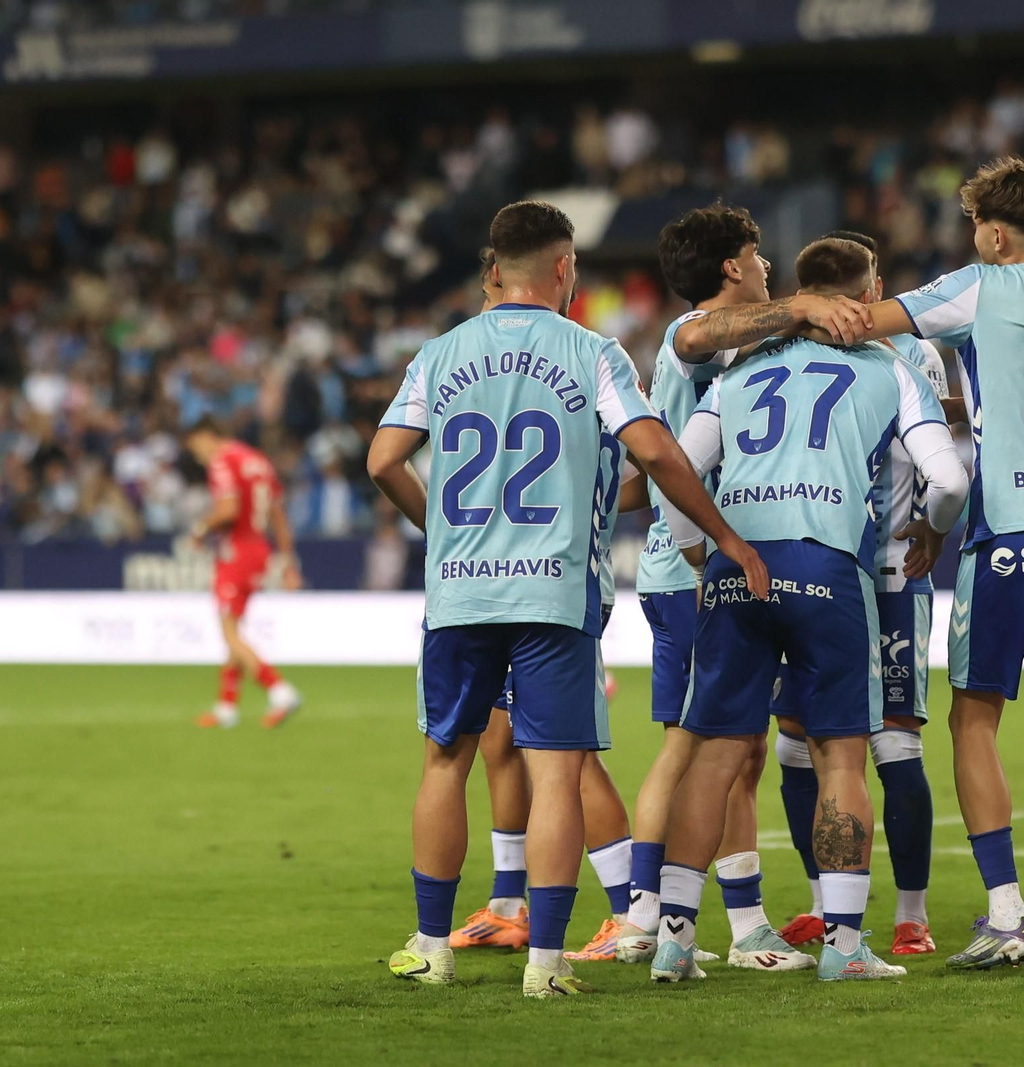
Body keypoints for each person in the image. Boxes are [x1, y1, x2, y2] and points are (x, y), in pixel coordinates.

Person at [679, 158, 1024, 978]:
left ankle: (1004, 913)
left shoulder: (978, 285)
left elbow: (857, 324)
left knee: (970, 721)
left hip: (1012, 531)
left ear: (993, 230)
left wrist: (805, 309)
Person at [365, 200, 768, 997]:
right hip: (554, 590)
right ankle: (545, 966)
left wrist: (438, 531)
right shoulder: (593, 351)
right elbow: (651, 448)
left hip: (460, 593)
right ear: (561, 268)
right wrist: (726, 536)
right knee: (556, 772)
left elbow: (383, 459)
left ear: (493, 271)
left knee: (445, 761)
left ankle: (429, 945)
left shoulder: (438, 355)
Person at [650, 236, 968, 984]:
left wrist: (703, 552)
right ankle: (845, 944)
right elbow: (947, 478)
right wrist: (931, 529)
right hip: (826, 564)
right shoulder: (891, 367)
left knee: (715, 754)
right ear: (867, 297)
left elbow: (675, 469)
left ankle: (671, 937)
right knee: (841, 754)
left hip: (740, 565)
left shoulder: (740, 367)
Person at [618, 205, 854, 972]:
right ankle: (651, 916)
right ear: (731, 267)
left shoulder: (746, 347)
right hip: (693, 568)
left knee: (729, 751)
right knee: (701, 749)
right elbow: (694, 337)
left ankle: (679, 917)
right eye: (754, 256)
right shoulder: (694, 337)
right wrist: (801, 306)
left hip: (709, 562)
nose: (764, 267)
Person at [447, 249, 646, 962]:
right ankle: (508, 901)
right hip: (521, 579)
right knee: (503, 740)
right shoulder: (570, 369)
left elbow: (639, 471)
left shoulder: (581, 362)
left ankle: (629, 912)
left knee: (565, 756)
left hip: (550, 587)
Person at [773, 230, 948, 957]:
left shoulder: (778, 349)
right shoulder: (914, 354)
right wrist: (935, 526)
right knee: (865, 743)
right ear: (872, 288)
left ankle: (890, 910)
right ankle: (882, 911)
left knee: (821, 743)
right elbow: (950, 459)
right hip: (888, 568)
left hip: (824, 570)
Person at [184, 416, 302, 729]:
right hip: (259, 550)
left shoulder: (223, 460)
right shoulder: (257, 460)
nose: (197, 455)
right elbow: (278, 514)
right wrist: (288, 561)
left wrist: (199, 529)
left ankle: (279, 689)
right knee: (233, 627)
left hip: (236, 551)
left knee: (229, 632)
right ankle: (226, 706)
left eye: (196, 446)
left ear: (207, 435)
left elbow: (228, 510)